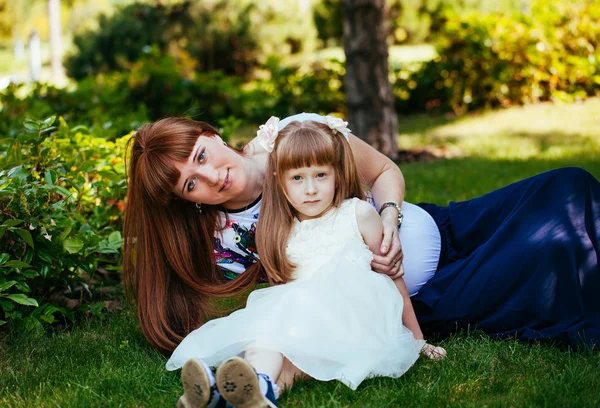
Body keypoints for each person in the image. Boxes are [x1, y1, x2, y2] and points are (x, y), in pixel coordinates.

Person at [123, 113, 600, 379]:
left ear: (212, 135)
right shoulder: (225, 240)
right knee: (551, 251)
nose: (209, 177)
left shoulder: (296, 141)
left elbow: (385, 172)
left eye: (200, 157)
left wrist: (390, 219)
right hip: (420, 298)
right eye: (190, 185)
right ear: (189, 202)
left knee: (567, 186)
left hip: (447, 226)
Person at [167, 119, 443, 408]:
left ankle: (229, 397)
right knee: (267, 340)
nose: (310, 189)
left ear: (337, 173)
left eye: (320, 175)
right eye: (297, 178)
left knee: (292, 350)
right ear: (280, 182)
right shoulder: (282, 232)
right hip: (306, 323)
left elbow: (393, 277)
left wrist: (417, 340)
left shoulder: (358, 214)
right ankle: (255, 389)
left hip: (354, 320)